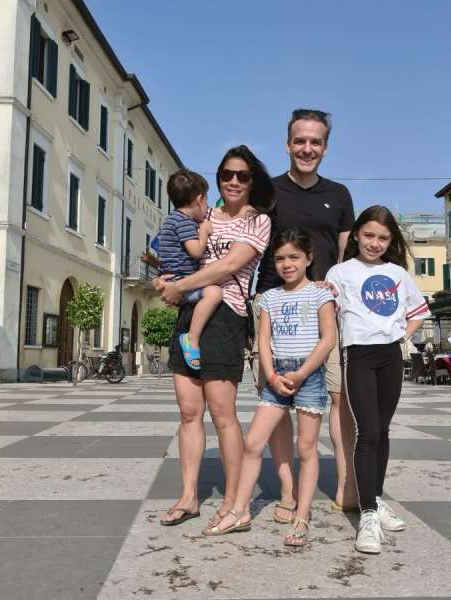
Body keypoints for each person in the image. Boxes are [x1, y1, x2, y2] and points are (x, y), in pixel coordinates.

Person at [155, 145, 274, 528]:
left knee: (223, 416)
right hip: (190, 312)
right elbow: (174, 248)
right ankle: (189, 496)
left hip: (226, 317)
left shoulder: (258, 221)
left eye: (242, 175)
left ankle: (234, 500)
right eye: (226, 174)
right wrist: (166, 280)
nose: (233, 181)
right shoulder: (203, 214)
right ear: (218, 178)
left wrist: (181, 285)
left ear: (252, 180)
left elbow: (228, 266)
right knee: (189, 412)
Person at [255, 108, 357, 523]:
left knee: (338, 397)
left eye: (316, 141)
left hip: (325, 308)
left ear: (326, 147)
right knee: (277, 399)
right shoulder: (269, 192)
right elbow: (245, 240)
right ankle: (287, 489)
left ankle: (346, 483)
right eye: (300, 140)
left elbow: (348, 254)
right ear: (288, 144)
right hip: (273, 305)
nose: (307, 148)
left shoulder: (340, 194)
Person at [204, 228, 336, 547]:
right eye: (279, 259)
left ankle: (302, 515)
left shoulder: (321, 294)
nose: (287, 264)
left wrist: (302, 373)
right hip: (276, 375)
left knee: (306, 448)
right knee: (253, 443)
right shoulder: (269, 298)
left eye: (294, 257)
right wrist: (273, 376)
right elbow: (263, 341)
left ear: (309, 258)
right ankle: (240, 511)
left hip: (309, 374)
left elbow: (328, 338)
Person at [326, 205, 430, 554]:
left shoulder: (397, 273)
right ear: (356, 234)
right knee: (367, 432)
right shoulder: (340, 272)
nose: (375, 243)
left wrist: (403, 336)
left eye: (383, 238)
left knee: (383, 431)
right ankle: (367, 514)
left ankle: (375, 497)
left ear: (391, 240)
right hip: (358, 355)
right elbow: (327, 314)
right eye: (369, 235)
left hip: (390, 356)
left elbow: (418, 311)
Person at [158, 168, 223, 370]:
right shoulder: (185, 222)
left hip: (171, 278)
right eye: (207, 200)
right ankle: (192, 339)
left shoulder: (172, 219)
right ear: (199, 199)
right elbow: (196, 251)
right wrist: (203, 232)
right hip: (180, 282)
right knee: (214, 292)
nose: (207, 207)